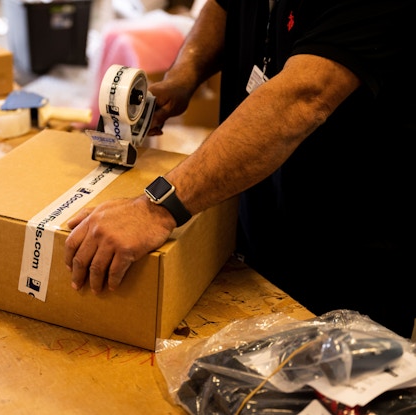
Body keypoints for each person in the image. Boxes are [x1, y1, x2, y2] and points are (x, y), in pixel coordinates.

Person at [64, 0, 415, 338]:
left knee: (332, 391)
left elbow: (304, 96)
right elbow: (224, 6)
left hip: (347, 256)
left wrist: (155, 209)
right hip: (255, 221)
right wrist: (183, 76)